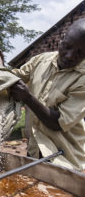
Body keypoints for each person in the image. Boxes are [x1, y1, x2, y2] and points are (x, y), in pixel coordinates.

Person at [9, 18, 85, 171]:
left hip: (64, 160)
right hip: (34, 151)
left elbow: (57, 123)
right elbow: (12, 78)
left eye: (80, 53)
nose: (69, 56)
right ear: (62, 38)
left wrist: (28, 97)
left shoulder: (82, 79)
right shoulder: (41, 60)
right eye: (67, 47)